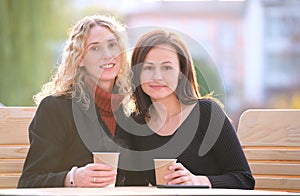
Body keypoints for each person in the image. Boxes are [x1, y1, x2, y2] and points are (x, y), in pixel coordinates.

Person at [128, 29, 255, 189]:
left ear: (182, 72)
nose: (157, 76)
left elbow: (244, 179)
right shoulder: (134, 124)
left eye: (167, 68)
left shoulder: (207, 113)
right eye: (148, 68)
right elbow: (133, 185)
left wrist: (199, 181)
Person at [18, 15, 134, 188]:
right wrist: (72, 178)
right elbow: (28, 182)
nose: (107, 55)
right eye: (95, 48)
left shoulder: (130, 110)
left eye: (112, 45)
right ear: (79, 59)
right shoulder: (56, 108)